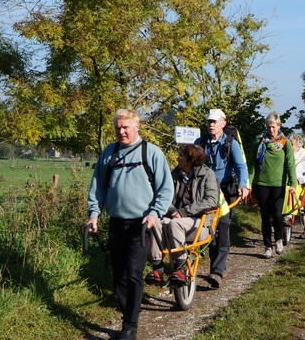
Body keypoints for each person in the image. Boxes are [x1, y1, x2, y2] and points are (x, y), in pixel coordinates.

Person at [85, 109, 174, 340]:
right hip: (116, 222)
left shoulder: (151, 153)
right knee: (119, 275)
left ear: (137, 127)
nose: (121, 131)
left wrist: (155, 213)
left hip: (141, 224)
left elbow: (165, 189)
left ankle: (129, 326)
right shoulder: (109, 153)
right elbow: (98, 188)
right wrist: (94, 214)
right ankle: (128, 313)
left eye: (125, 127)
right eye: (118, 127)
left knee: (134, 273)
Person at [145, 144, 219, 286]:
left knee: (174, 223)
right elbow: (163, 195)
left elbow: (211, 200)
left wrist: (183, 212)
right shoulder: (174, 175)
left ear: (190, 159)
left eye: (181, 155)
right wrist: (172, 210)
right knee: (155, 222)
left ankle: (181, 268)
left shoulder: (207, 174)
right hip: (174, 219)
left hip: (199, 222)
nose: (177, 158)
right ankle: (157, 269)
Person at [194, 108, 249, 288]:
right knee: (209, 229)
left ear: (223, 124)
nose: (211, 124)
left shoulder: (230, 143)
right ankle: (214, 266)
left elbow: (240, 165)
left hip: (226, 191)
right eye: (209, 121)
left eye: (214, 121)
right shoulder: (200, 143)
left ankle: (217, 272)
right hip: (205, 192)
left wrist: (243, 185)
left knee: (223, 229)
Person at [250, 112, 296, 259]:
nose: (271, 130)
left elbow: (290, 164)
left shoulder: (285, 143)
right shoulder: (259, 142)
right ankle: (267, 246)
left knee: (277, 214)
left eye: (274, 127)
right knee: (265, 215)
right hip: (261, 183)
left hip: (279, 184)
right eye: (269, 127)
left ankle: (278, 239)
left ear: (279, 126)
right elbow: (251, 164)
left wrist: (293, 183)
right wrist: (248, 183)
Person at [288, 133, 305, 238]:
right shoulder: (285, 158)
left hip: (300, 187)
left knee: (303, 204)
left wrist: (300, 180)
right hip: (287, 187)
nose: (289, 147)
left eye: (292, 145)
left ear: (298, 146)